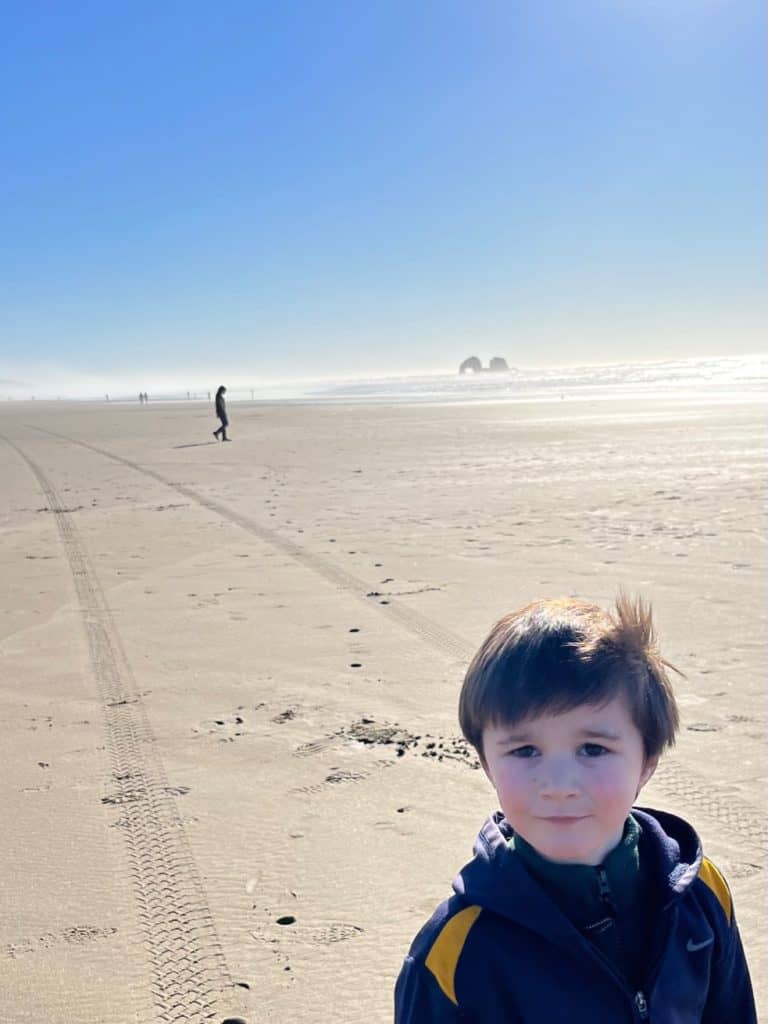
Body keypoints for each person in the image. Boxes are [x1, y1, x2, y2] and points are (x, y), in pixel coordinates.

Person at [394, 595, 756, 1022]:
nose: (559, 786)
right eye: (526, 750)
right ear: (487, 764)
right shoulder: (456, 955)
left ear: (646, 763)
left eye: (592, 748)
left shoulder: (701, 895)